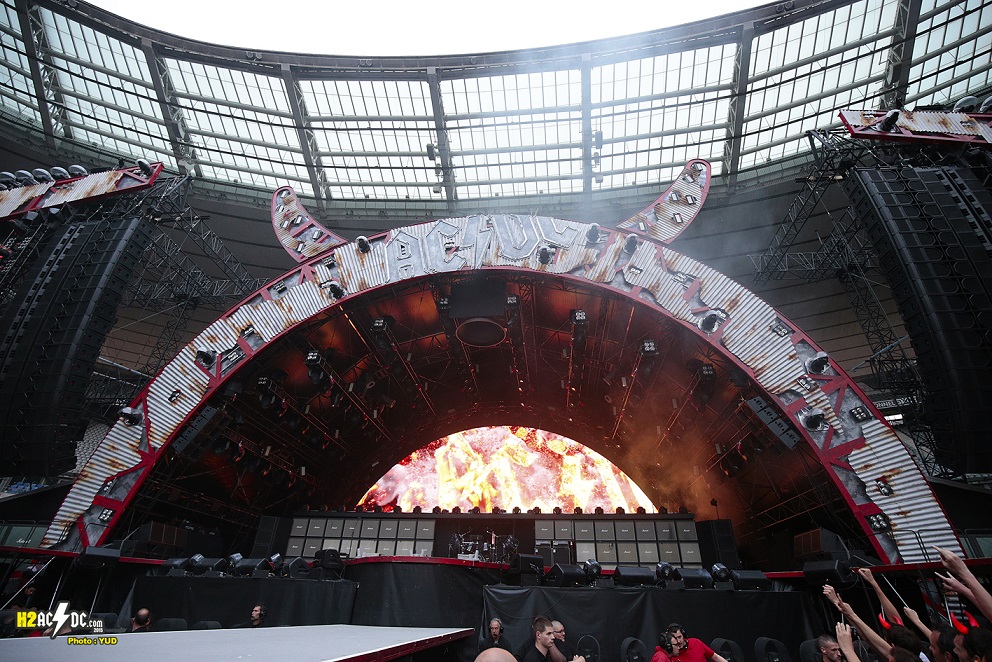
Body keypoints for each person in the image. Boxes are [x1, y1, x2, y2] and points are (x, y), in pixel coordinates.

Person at [651, 624, 729, 662]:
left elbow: (714, 656)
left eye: (679, 637)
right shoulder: (664, 656)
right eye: (675, 639)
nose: (678, 641)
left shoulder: (696, 643)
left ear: (683, 635)